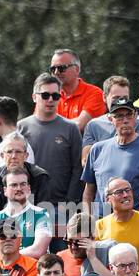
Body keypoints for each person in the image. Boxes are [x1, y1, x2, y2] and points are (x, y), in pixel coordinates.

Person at [81, 96, 139, 214]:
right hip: (102, 223)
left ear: (135, 116)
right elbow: (89, 191)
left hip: (135, 222)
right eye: (119, 116)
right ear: (111, 119)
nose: (125, 120)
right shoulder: (97, 149)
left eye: (129, 115)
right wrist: (87, 222)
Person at [16, 73, 84, 205]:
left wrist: (71, 201)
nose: (50, 99)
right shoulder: (21, 128)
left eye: (56, 95)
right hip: (28, 203)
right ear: (34, 97)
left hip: (61, 205)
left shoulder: (71, 128)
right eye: (45, 95)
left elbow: (78, 169)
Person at [0, 166, 51, 259]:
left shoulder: (41, 215)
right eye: (14, 185)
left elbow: (38, 250)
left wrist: (6, 257)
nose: (19, 188)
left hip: (31, 271)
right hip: (1, 271)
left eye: (23, 184)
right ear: (5, 190)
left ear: (29, 189)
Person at [0, 134, 51, 218]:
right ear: (2, 156)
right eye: (9, 152)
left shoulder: (40, 176)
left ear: (26, 156)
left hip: (29, 228)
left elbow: (43, 214)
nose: (14, 156)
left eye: (18, 152)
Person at [95, 177, 139, 274]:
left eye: (127, 190)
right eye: (119, 192)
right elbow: (97, 263)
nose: (125, 195)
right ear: (108, 199)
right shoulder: (99, 226)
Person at [82, 76, 139, 166]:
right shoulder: (93, 125)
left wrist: (100, 154)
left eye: (125, 98)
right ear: (104, 97)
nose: (120, 102)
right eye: (116, 98)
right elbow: (86, 161)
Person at [50, 48, 105, 132]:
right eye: (53, 69)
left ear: (77, 69)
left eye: (61, 68)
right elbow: (38, 123)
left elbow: (79, 125)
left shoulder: (94, 93)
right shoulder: (48, 95)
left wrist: (49, 126)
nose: (56, 72)